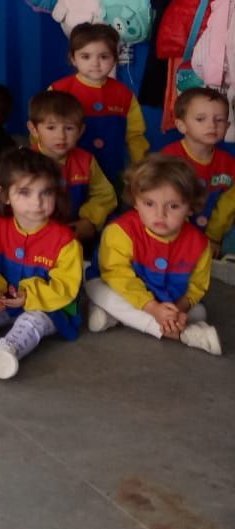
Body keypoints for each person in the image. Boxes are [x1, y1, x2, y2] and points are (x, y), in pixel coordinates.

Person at [85, 156, 221, 355]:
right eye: (149, 203)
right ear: (135, 201)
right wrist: (153, 309)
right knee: (98, 290)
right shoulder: (120, 231)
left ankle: (118, 317)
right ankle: (182, 334)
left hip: (167, 297)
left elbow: (197, 286)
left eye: (173, 206)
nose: (160, 215)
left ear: (190, 207)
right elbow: (117, 276)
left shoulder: (200, 244)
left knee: (199, 311)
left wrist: (178, 309)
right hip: (117, 286)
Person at [0, 152, 82, 379]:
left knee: (31, 321)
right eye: (25, 192)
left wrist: (28, 297)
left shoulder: (65, 240)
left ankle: (6, 350)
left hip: (53, 305)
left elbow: (66, 287)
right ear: (4, 195)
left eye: (46, 192)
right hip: (6, 298)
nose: (37, 202)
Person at [48, 22, 149, 187]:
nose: (95, 63)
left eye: (104, 56)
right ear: (73, 58)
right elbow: (42, 131)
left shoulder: (124, 95)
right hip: (67, 174)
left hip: (112, 169)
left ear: (115, 58)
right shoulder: (58, 90)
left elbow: (136, 136)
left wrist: (141, 167)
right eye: (86, 56)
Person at [26, 90, 116, 247]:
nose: (61, 136)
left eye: (69, 128)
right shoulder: (23, 162)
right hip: (35, 236)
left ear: (81, 131)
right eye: (51, 128)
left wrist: (89, 221)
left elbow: (106, 196)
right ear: (34, 129)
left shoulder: (86, 160)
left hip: (76, 233)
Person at [161, 88, 235, 248]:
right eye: (201, 119)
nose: (212, 125)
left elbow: (228, 206)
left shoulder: (229, 164)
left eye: (220, 120)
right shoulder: (168, 159)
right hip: (174, 236)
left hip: (213, 236)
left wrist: (214, 237)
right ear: (181, 125)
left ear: (228, 126)